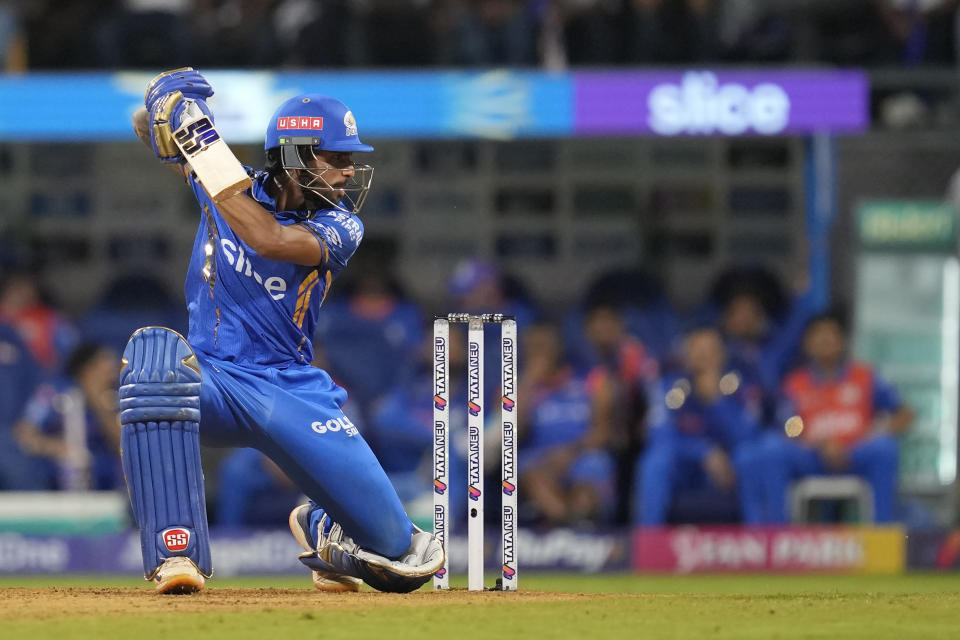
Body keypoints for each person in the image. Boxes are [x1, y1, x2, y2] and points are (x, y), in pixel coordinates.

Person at [125, 68, 442, 594]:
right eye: (336, 158)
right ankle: (174, 553)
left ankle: (323, 524)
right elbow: (153, 128)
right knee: (153, 357)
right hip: (211, 380)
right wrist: (174, 124)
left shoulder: (343, 225)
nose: (348, 172)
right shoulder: (227, 182)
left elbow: (268, 238)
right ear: (295, 155)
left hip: (288, 389)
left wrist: (197, 143)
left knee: (400, 558)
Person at [756, 311, 913, 523]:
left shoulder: (865, 376)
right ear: (807, 344)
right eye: (818, 336)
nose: (825, 340)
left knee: (885, 448)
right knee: (771, 449)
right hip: (813, 455)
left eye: (831, 335)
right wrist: (820, 444)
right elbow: (788, 427)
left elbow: (904, 414)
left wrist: (874, 432)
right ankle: (779, 534)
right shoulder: (794, 384)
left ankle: (882, 531)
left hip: (856, 451)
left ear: (842, 342)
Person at [634, 326, 761, 525]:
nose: (703, 358)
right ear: (686, 356)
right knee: (655, 461)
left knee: (750, 457)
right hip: (686, 469)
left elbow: (748, 437)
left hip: (729, 469)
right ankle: (649, 543)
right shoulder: (670, 386)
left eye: (709, 352)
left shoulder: (739, 387)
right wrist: (704, 452)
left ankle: (758, 539)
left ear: (722, 356)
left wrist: (716, 401)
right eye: (697, 351)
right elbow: (658, 435)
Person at [13, 342, 123, 491]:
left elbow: (121, 444)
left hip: (102, 473)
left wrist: (98, 405)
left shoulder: (113, 398)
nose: (111, 376)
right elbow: (24, 433)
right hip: (55, 470)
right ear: (85, 370)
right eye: (105, 369)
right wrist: (56, 447)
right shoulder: (53, 392)